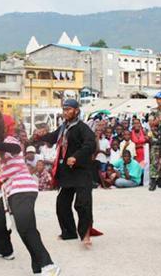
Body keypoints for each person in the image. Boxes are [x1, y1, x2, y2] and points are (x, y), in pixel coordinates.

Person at [0, 110, 60, 275]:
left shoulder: (9, 140)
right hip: (10, 190)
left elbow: (15, 148)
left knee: (25, 227)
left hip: (22, 188)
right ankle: (4, 249)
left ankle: (48, 266)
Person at [34, 99, 97, 247]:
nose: (66, 112)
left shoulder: (83, 128)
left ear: (76, 111)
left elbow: (90, 144)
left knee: (82, 204)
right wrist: (40, 136)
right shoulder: (63, 128)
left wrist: (76, 156)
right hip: (67, 173)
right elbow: (53, 138)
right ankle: (69, 233)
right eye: (64, 109)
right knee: (62, 204)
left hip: (81, 171)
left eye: (69, 109)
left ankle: (86, 234)